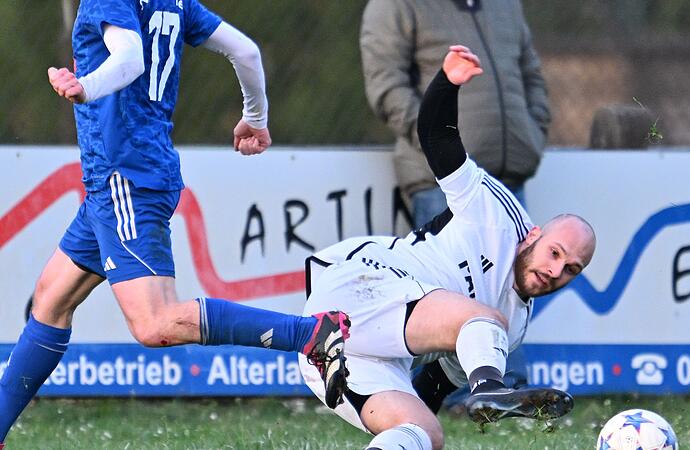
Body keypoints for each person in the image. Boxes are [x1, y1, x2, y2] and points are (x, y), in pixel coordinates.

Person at [0, 1, 350, 446]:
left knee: (155, 323)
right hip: (126, 178)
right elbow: (246, 52)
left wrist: (84, 88)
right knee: (50, 299)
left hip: (125, 180)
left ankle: (313, 334)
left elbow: (130, 58)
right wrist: (255, 118)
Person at [300, 46, 595, 450]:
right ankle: (489, 389)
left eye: (571, 269)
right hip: (357, 291)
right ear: (533, 235)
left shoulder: (511, 328)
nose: (556, 271)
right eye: (555, 253)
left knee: (424, 433)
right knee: (483, 319)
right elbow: (437, 137)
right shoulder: (496, 213)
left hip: (345, 358)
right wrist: (448, 82)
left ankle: (477, 396)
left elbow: (434, 384)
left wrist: (416, 416)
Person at [360, 0, 551, 392]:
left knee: (511, 294)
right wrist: (438, 145)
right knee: (448, 297)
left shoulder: (504, 5)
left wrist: (531, 132)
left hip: (507, 178)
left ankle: (503, 390)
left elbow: (531, 74)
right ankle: (451, 396)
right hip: (444, 182)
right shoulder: (396, 4)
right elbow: (386, 84)